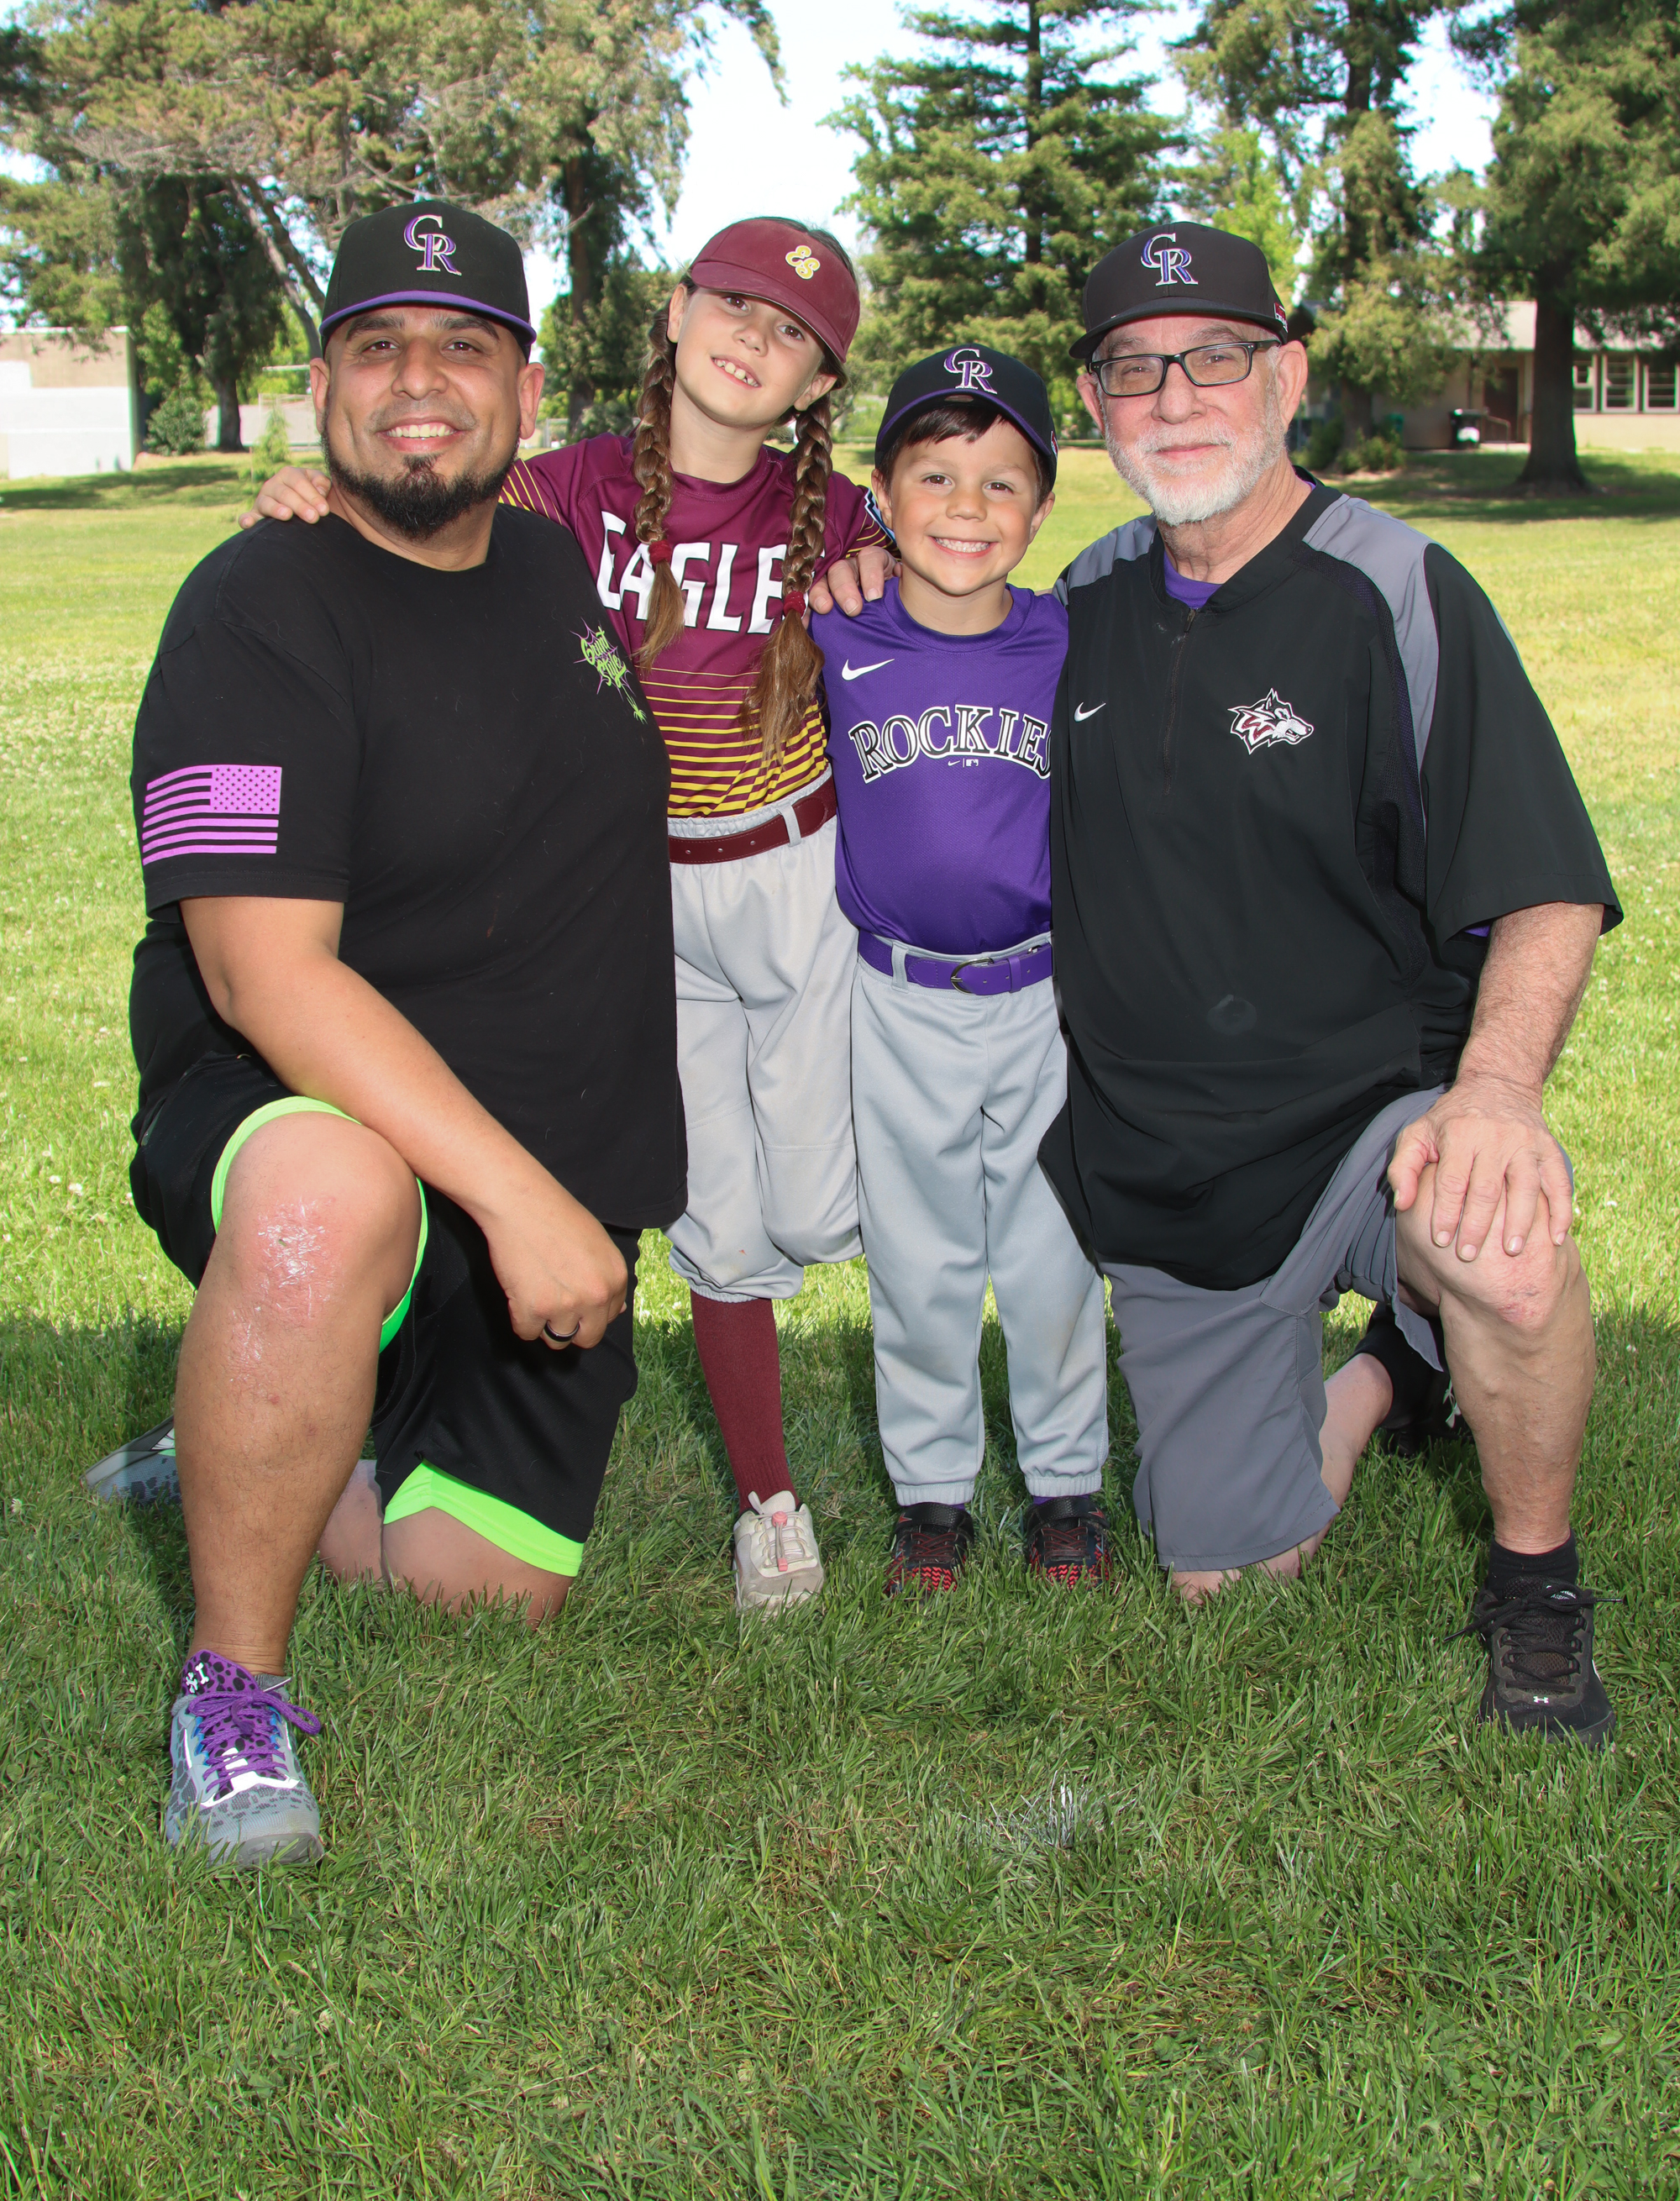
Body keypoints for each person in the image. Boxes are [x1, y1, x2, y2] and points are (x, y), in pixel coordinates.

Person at [827, 221, 1621, 1747]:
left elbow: (1548, 883)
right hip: (1176, 1167)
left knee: (1506, 1244)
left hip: (1375, 1122)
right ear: (1096, 405)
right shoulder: (1082, 603)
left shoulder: (1398, 587)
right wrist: (869, 561)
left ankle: (1534, 1584)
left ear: (1287, 376)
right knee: (1222, 1576)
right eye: (1136, 370)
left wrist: (1498, 1095)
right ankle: (1387, 1377)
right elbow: (935, 640)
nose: (1178, 398)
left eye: (1216, 358)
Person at [96, 200, 684, 1867]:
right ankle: (231, 1693)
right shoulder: (253, 605)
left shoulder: (550, 566)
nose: (419, 380)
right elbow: (264, 979)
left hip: (537, 1163)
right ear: (322, 387)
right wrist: (518, 1200)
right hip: (309, 1115)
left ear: (527, 390)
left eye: (462, 346)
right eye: (377, 347)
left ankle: (250, 1429)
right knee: (330, 1197)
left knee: (478, 1593)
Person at [241, 219, 883, 1613]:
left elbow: (952, 606)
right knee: (713, 1208)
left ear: (820, 383)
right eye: (734, 305)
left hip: (792, 871)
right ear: (676, 309)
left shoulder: (843, 519)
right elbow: (415, 524)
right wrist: (309, 496)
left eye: (791, 334)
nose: (753, 340)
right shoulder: (558, 485)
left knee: (824, 1202)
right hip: (631, 887)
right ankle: (767, 1497)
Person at [823, 347, 1110, 1594]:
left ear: (1041, 510)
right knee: (918, 1258)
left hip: (1043, 995)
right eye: (935, 476)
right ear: (881, 495)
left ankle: (1066, 1487)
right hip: (896, 996)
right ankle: (932, 1493)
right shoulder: (834, 628)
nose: (967, 508)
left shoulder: (1069, 638)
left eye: (1003, 484)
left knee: (1053, 1256)